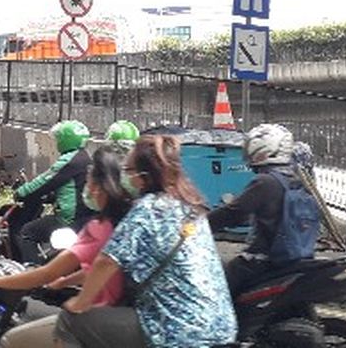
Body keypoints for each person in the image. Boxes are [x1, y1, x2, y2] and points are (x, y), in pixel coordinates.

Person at [58, 135, 237, 348]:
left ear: (143, 176)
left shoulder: (148, 209)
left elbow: (106, 263)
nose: (125, 176)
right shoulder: (191, 208)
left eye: (129, 171)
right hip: (222, 329)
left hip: (179, 334)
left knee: (69, 320)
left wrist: (81, 302)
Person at [0, 148, 135, 348]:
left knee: (11, 340)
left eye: (88, 182)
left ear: (98, 187)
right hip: (121, 318)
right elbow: (102, 269)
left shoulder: (99, 228)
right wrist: (66, 281)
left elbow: (45, 273)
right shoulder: (128, 221)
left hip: (97, 320)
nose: (86, 188)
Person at [208, 123, 321, 296]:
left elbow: (233, 213)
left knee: (218, 284)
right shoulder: (297, 179)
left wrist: (200, 224)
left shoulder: (265, 182)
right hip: (299, 258)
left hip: (266, 260)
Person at [10, 120, 94, 264]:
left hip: (68, 219)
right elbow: (71, 187)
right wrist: (53, 196)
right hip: (85, 217)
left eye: (58, 139)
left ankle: (33, 275)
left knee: (27, 232)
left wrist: (21, 192)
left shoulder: (69, 160)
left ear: (65, 140)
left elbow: (44, 181)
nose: (57, 143)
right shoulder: (85, 158)